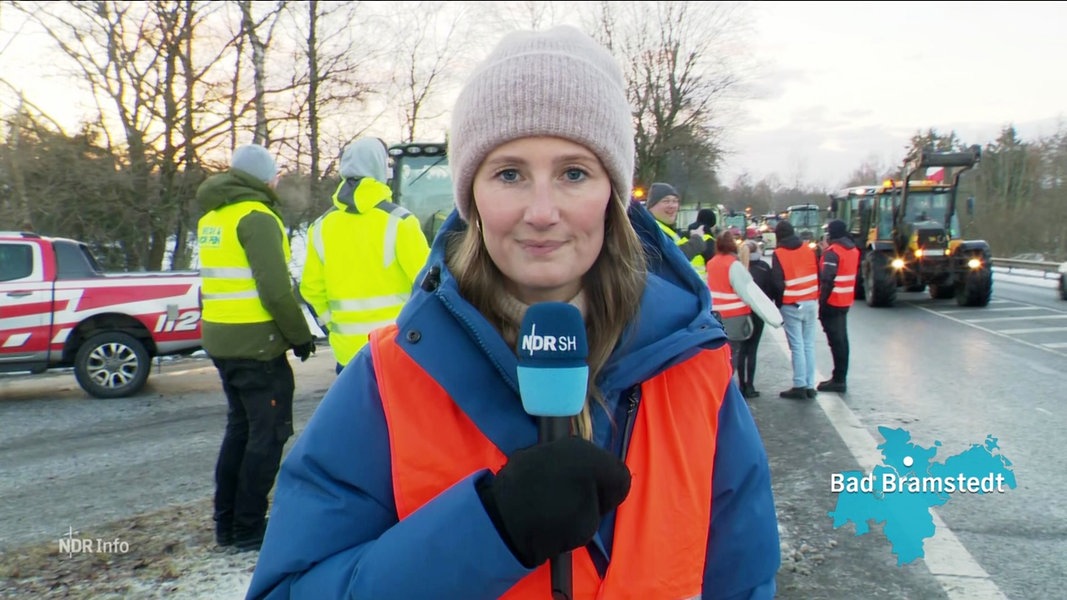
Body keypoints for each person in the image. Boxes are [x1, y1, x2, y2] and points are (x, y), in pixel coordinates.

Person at [246, 25, 779, 599]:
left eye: (574, 173)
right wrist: (487, 532)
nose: (542, 211)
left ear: (614, 195)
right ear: (471, 195)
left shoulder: (695, 371)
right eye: (509, 174)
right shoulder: (390, 380)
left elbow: (742, 580)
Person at [195, 143, 317, 553]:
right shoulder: (257, 217)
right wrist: (299, 336)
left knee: (240, 430)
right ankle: (248, 528)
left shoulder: (214, 215)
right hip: (257, 345)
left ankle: (226, 524)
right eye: (275, 175)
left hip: (222, 340)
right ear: (264, 178)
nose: (277, 182)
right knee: (269, 435)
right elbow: (276, 290)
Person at [300, 137, 431, 374]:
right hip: (398, 350)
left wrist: (335, 328)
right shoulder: (400, 223)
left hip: (348, 355)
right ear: (381, 170)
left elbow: (311, 290)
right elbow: (429, 285)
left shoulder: (320, 227)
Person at [706, 231, 782, 394]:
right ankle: (724, 391)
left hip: (716, 317)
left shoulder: (712, 263)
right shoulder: (734, 265)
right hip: (735, 319)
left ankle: (717, 389)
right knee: (733, 356)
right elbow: (751, 294)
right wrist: (775, 319)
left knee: (721, 356)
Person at [771, 219, 820, 400]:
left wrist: (780, 303)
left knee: (797, 346)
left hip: (792, 304)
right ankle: (809, 385)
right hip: (811, 301)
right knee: (808, 344)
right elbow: (818, 274)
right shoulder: (808, 250)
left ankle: (799, 384)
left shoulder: (779, 253)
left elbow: (777, 282)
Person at [817, 219, 860, 393]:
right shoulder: (852, 250)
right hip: (845, 301)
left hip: (832, 302)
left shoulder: (833, 252)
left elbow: (828, 278)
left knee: (836, 342)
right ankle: (841, 376)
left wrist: (822, 303)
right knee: (843, 340)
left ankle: (838, 379)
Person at [735, 239, 782, 399]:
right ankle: (750, 385)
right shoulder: (764, 268)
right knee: (752, 349)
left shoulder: (738, 268)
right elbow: (772, 289)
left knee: (741, 349)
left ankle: (740, 384)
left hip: (741, 313)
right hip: (757, 313)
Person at [645, 181, 707, 268]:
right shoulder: (648, 229)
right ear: (651, 206)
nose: (672, 205)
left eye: (675, 201)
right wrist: (696, 242)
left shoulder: (664, 228)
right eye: (666, 201)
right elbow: (667, 260)